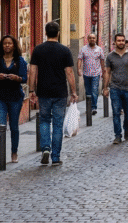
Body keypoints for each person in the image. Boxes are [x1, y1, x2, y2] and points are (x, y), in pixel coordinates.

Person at [28, 22, 78, 166]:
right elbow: (69, 72)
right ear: (58, 33)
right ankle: (55, 157)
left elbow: (32, 71)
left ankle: (45, 149)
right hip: (60, 92)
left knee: (44, 121)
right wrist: (73, 91)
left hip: (43, 92)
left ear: (45, 33)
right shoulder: (64, 50)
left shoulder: (38, 50)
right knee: (57, 124)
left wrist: (31, 90)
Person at [0, 35, 28, 164]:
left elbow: (24, 78)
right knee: (1, 126)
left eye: (9, 43)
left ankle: (14, 152)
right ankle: (0, 155)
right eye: (5, 43)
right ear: (1, 46)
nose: (7, 45)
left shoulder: (20, 61)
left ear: (13, 46)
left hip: (15, 97)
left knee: (14, 127)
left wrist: (16, 78)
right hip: (0, 98)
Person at [103, 33, 128, 144]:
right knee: (116, 112)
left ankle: (126, 128)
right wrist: (105, 87)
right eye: (119, 40)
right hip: (115, 88)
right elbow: (107, 72)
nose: (121, 42)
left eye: (123, 40)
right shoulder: (110, 56)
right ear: (115, 42)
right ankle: (117, 135)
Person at [77, 34, 105, 116]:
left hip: (96, 74)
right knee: (88, 92)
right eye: (90, 38)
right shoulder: (83, 49)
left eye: (93, 38)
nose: (92, 39)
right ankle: (88, 107)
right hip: (86, 74)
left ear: (96, 39)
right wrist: (78, 69)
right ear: (88, 39)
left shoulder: (99, 49)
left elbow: (102, 61)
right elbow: (79, 59)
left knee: (94, 91)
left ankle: (94, 108)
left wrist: (103, 71)